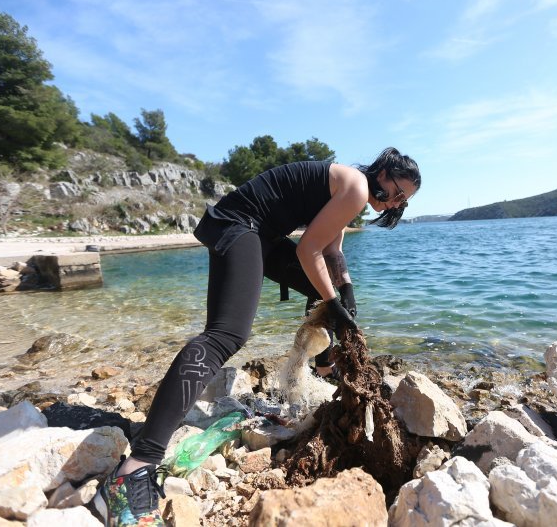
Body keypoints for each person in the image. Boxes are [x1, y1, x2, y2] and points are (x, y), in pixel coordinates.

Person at [95, 147, 421, 525]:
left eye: (404, 201)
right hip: (240, 225)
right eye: (397, 191)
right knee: (226, 334)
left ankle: (325, 366)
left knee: (327, 290)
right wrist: (333, 302)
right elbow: (310, 249)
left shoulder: (353, 190)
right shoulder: (357, 186)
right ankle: (134, 468)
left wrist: (343, 289)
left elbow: (332, 247)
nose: (396, 202)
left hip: (257, 231)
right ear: (382, 172)